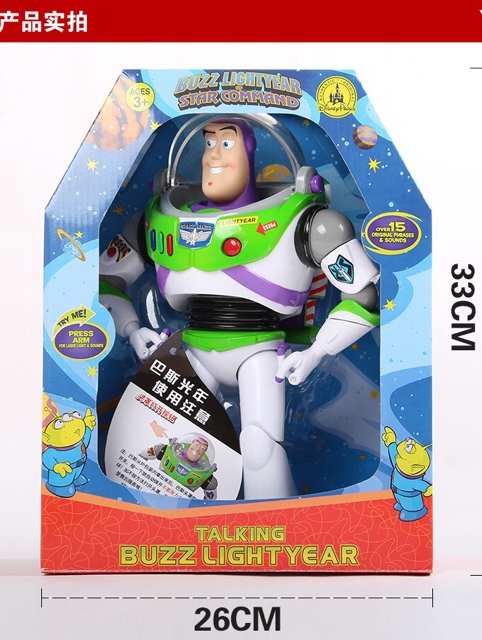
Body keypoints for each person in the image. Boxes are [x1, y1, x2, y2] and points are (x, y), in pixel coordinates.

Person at [100, 116, 380, 500]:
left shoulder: (307, 222)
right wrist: (132, 329)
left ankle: (279, 524)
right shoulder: (156, 221)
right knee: (170, 442)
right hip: (190, 351)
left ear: (248, 151)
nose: (213, 155)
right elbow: (105, 280)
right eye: (208, 143)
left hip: (261, 354)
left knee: (260, 447)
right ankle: (163, 520)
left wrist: (317, 352)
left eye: (226, 144)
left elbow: (363, 296)